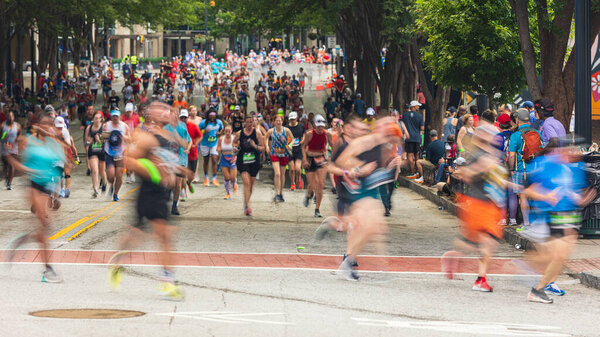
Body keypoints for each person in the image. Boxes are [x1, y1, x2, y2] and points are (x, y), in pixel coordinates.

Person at [108, 102, 192, 301]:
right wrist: (155, 173)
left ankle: (118, 260)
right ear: (150, 114)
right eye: (159, 108)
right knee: (165, 236)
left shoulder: (170, 137)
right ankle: (167, 283)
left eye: (167, 108)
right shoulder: (146, 137)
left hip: (163, 193)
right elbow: (130, 161)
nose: (166, 110)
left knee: (138, 234)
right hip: (150, 192)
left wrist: (179, 170)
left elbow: (165, 163)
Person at [441, 125, 508, 291]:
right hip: (480, 203)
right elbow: (467, 175)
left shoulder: (493, 154)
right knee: (486, 242)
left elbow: (497, 179)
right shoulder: (479, 154)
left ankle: (455, 258)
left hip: (491, 204)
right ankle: (479, 279)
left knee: (479, 242)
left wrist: (517, 187)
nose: (494, 137)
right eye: (491, 134)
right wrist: (480, 168)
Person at [334, 119, 403, 281]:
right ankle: (354, 263)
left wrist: (392, 164)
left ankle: (351, 263)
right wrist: (358, 169)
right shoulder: (362, 143)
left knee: (375, 228)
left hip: (370, 188)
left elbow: (381, 169)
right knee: (368, 226)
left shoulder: (384, 146)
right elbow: (341, 162)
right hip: (357, 187)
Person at [3, 114, 66, 282]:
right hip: (33, 185)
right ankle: (47, 270)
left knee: (43, 228)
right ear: (38, 125)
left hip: (48, 187)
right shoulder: (27, 140)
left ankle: (21, 241)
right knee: (45, 223)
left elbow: (59, 170)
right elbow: (9, 154)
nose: (47, 127)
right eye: (44, 124)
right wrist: (25, 168)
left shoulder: (56, 145)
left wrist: (56, 193)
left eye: (50, 125)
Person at [508, 108, 542, 227]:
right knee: (535, 196)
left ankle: (526, 223)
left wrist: (511, 169)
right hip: (535, 170)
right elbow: (541, 151)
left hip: (520, 169)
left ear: (517, 120)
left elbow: (511, 155)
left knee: (522, 197)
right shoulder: (537, 133)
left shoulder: (515, 135)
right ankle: (537, 222)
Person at [302, 114, 333, 218]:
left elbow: (333, 146)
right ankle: (309, 194)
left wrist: (331, 158)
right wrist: (305, 159)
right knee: (312, 185)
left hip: (321, 159)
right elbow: (303, 147)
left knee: (320, 184)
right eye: (318, 126)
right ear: (315, 125)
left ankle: (317, 209)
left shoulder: (327, 134)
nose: (321, 128)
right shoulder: (309, 134)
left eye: (322, 126)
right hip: (310, 160)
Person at [234, 116, 265, 216]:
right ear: (244, 123)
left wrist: (254, 146)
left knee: (251, 185)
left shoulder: (257, 133)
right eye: (247, 122)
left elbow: (262, 148)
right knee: (246, 182)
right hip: (242, 159)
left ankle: (246, 202)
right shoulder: (240, 133)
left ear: (253, 123)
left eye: (250, 122)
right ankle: (247, 206)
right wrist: (235, 147)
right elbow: (234, 142)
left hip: (254, 160)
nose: (249, 124)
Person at [103, 108, 130, 201]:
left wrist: (123, 137)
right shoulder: (107, 125)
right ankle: (111, 185)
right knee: (111, 175)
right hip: (109, 152)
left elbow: (129, 138)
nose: (115, 118)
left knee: (119, 175)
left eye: (116, 116)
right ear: (111, 116)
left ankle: (115, 193)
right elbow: (102, 137)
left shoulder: (124, 126)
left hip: (120, 153)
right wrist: (107, 136)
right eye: (113, 116)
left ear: (120, 117)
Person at [265, 115, 294, 202]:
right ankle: (277, 193)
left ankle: (281, 193)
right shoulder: (271, 131)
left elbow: (293, 139)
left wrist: (290, 145)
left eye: (280, 121)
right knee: (277, 173)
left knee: (282, 174)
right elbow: (265, 137)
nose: (278, 122)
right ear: (274, 122)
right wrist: (267, 146)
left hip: (284, 154)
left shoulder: (286, 130)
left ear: (282, 122)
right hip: (274, 154)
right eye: (277, 120)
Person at [54, 116, 79, 198]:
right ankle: (60, 189)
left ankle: (66, 189)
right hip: (55, 153)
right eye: (58, 127)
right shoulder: (52, 131)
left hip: (65, 153)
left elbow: (70, 146)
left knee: (66, 173)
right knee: (58, 173)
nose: (60, 129)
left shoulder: (65, 132)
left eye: (61, 127)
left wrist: (76, 157)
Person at [198, 110, 224, 186]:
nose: (212, 118)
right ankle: (206, 177)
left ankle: (214, 178)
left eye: (214, 116)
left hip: (214, 143)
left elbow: (222, 129)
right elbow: (197, 130)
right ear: (208, 116)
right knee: (206, 160)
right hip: (205, 143)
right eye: (211, 116)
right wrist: (203, 131)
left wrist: (220, 133)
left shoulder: (219, 122)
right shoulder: (203, 122)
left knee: (214, 159)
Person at [85, 112, 108, 197]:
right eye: (95, 118)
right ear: (93, 119)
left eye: (98, 118)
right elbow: (86, 139)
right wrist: (89, 141)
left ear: (101, 119)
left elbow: (107, 139)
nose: (97, 120)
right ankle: (95, 189)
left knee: (102, 171)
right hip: (93, 151)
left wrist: (100, 139)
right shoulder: (89, 128)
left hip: (102, 151)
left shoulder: (104, 126)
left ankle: (104, 183)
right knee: (94, 170)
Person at [403, 100, 424, 179]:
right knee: (416, 154)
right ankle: (418, 172)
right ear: (414, 107)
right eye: (417, 106)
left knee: (409, 154)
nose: (418, 107)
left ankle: (413, 172)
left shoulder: (404, 115)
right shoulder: (420, 116)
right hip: (417, 138)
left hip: (408, 138)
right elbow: (422, 128)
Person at [217, 125, 238, 200]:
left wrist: (235, 157)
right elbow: (218, 147)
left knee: (232, 178)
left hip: (232, 158)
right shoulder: (221, 138)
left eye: (229, 131)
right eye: (226, 131)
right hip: (224, 158)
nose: (228, 132)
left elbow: (237, 149)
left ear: (231, 131)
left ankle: (235, 183)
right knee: (227, 178)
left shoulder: (234, 138)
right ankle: (228, 194)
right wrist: (218, 150)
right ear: (224, 131)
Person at [1, 111, 20, 190]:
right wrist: (4, 137)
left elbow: (19, 135)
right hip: (5, 147)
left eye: (12, 116)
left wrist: (16, 139)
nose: (10, 117)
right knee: (6, 166)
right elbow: (1, 137)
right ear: (6, 117)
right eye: (9, 116)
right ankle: (7, 177)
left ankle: (9, 183)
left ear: (14, 117)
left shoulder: (18, 126)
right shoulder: (2, 125)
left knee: (12, 165)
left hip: (14, 147)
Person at [287, 111, 305, 190]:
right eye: (291, 119)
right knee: (291, 168)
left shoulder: (301, 126)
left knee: (298, 168)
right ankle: (292, 183)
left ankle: (299, 179)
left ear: (297, 118)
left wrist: (302, 140)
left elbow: (304, 134)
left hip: (298, 149)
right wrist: (288, 145)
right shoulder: (287, 128)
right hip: (290, 150)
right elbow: (284, 138)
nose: (293, 121)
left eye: (294, 119)